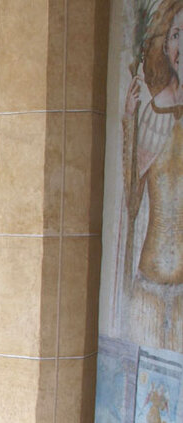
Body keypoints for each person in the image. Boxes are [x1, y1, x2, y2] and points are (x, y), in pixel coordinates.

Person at [121, 0, 183, 349]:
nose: (182, 47)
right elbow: (130, 201)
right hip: (150, 282)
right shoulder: (153, 114)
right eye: (176, 35)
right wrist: (129, 120)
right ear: (164, 44)